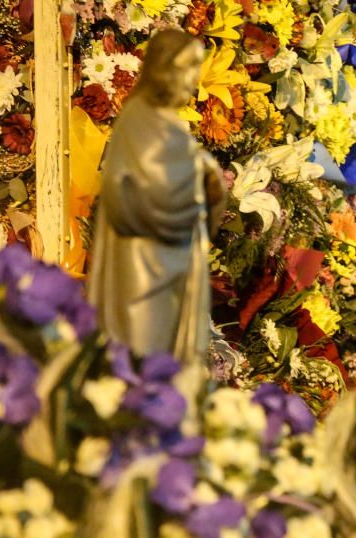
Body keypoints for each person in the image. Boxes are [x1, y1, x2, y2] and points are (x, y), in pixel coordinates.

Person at [87, 29, 225, 367]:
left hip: (175, 260)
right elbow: (130, 192)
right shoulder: (138, 121)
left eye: (195, 70)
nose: (192, 80)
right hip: (141, 261)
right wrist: (197, 172)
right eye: (185, 69)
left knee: (170, 356)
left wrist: (206, 176)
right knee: (140, 352)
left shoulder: (170, 125)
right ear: (162, 69)